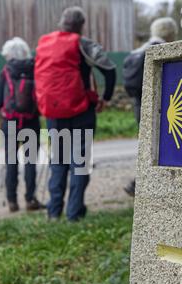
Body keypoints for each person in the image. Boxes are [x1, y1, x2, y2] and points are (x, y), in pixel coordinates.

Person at [35, 6, 116, 222]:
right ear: (81, 25)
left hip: (54, 113)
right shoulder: (83, 44)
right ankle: (74, 214)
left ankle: (53, 212)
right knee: (79, 162)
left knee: (58, 161)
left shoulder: (44, 43)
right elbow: (109, 70)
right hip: (82, 111)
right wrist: (105, 98)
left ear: (61, 23)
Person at [123, 17, 178, 197]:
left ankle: (141, 183)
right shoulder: (164, 51)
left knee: (147, 144)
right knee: (159, 146)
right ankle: (142, 183)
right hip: (160, 106)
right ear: (170, 33)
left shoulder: (138, 51)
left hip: (139, 106)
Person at [0, 37, 46, 213]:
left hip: (10, 121)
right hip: (31, 120)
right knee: (31, 161)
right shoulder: (35, 68)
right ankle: (30, 199)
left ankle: (12, 201)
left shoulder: (6, 70)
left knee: (11, 161)